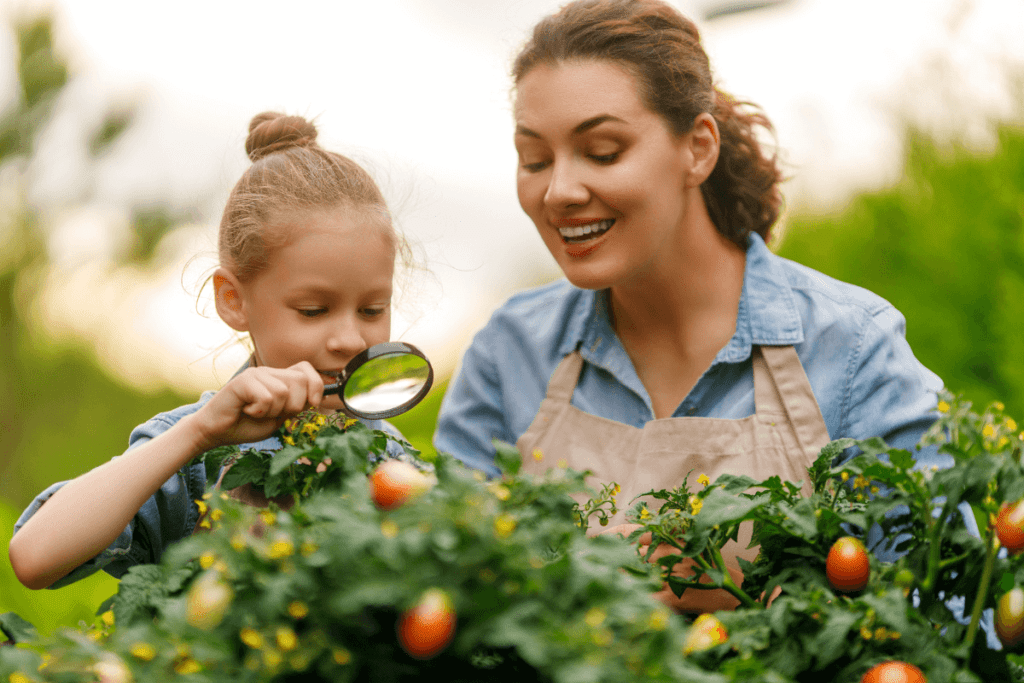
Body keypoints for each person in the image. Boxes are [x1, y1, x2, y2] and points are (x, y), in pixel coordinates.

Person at [433, 0, 948, 614]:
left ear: (698, 149)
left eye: (602, 152)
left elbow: (939, 603)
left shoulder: (852, 348)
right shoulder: (509, 352)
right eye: (535, 159)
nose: (559, 191)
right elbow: (449, 590)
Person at [9, 112, 414, 590]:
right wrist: (199, 433)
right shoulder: (194, 451)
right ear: (233, 301)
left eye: (371, 310)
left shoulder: (392, 460)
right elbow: (35, 557)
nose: (349, 339)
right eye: (313, 310)